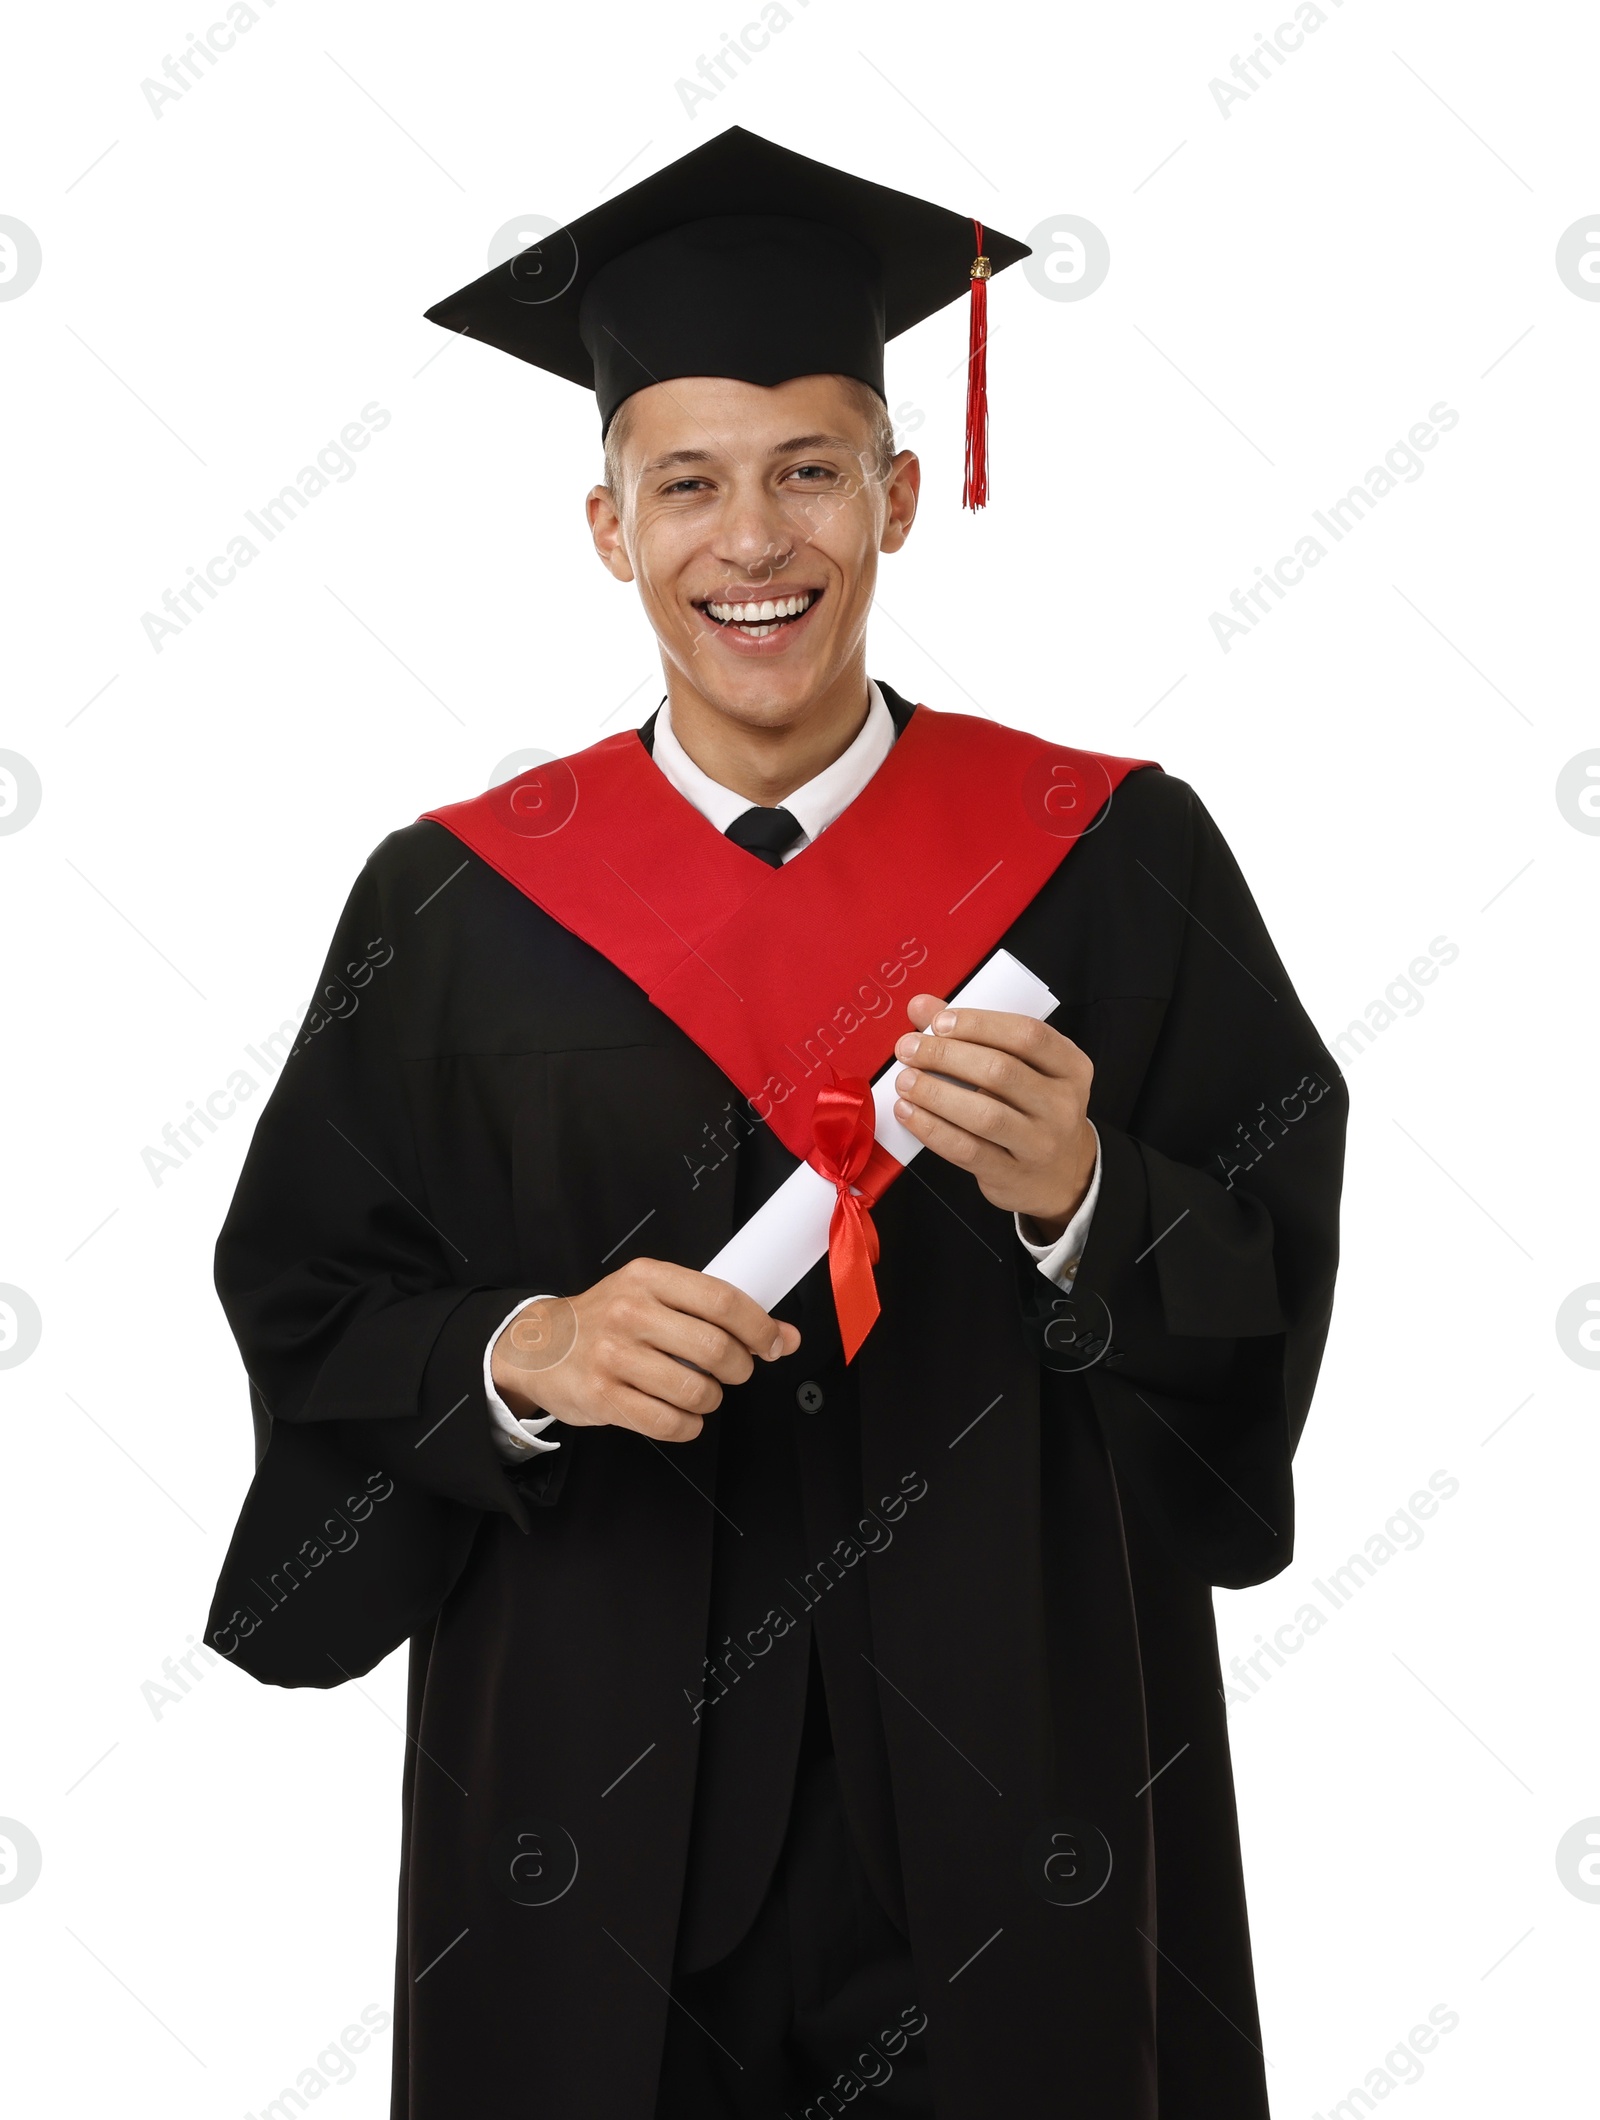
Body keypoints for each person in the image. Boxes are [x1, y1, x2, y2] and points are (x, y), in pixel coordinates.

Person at [208, 124, 1347, 2119]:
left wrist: (1087, 1197)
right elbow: (308, 1293)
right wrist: (515, 1354)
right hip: (594, 1809)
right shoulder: (458, 908)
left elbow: (1264, 1265)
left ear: (896, 496)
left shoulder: (1105, 857)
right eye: (689, 485)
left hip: (1022, 1792)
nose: (754, 540)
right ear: (606, 527)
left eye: (810, 470)